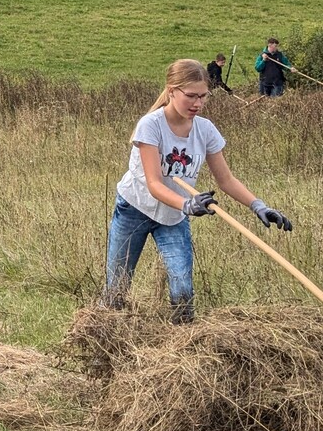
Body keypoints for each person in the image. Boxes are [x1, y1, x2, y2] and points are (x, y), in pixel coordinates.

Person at [102, 59, 293, 324]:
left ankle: (181, 342)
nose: (198, 103)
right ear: (172, 91)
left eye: (203, 96)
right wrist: (187, 204)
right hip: (134, 209)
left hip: (173, 217)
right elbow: (154, 184)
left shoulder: (205, 130)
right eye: (191, 96)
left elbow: (226, 180)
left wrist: (258, 205)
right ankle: (108, 336)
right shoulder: (150, 125)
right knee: (117, 288)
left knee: (182, 291)